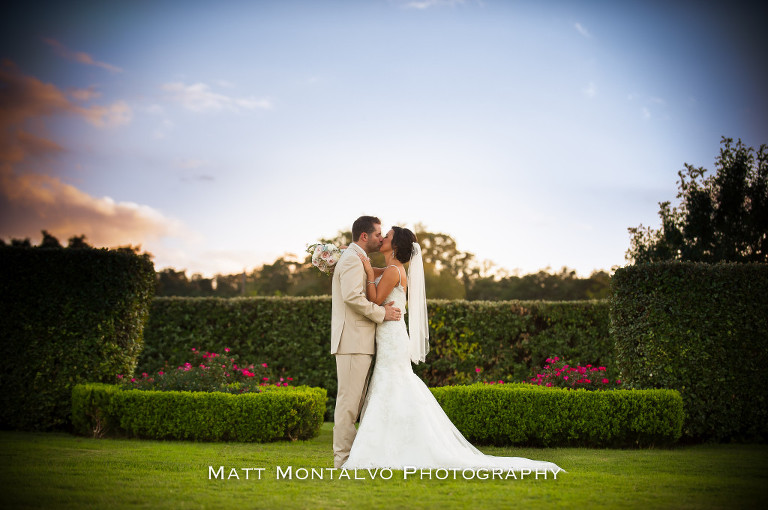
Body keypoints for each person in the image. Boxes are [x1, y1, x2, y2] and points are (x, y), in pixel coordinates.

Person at [343, 226, 564, 474]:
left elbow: (373, 298)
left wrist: (368, 273)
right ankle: (391, 443)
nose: (382, 238)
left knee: (392, 384)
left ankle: (393, 446)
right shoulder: (392, 269)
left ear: (395, 246)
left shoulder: (394, 271)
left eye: (388, 236)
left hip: (392, 337)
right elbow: (370, 270)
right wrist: (351, 255)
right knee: (391, 384)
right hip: (389, 335)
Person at [331, 215, 402, 469]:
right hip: (352, 341)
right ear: (364, 236)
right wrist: (382, 313)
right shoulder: (351, 258)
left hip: (359, 341)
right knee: (348, 406)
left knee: (356, 404)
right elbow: (352, 297)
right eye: (377, 234)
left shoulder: (357, 258)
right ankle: (343, 461)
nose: (381, 238)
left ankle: (354, 457)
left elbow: (381, 274)